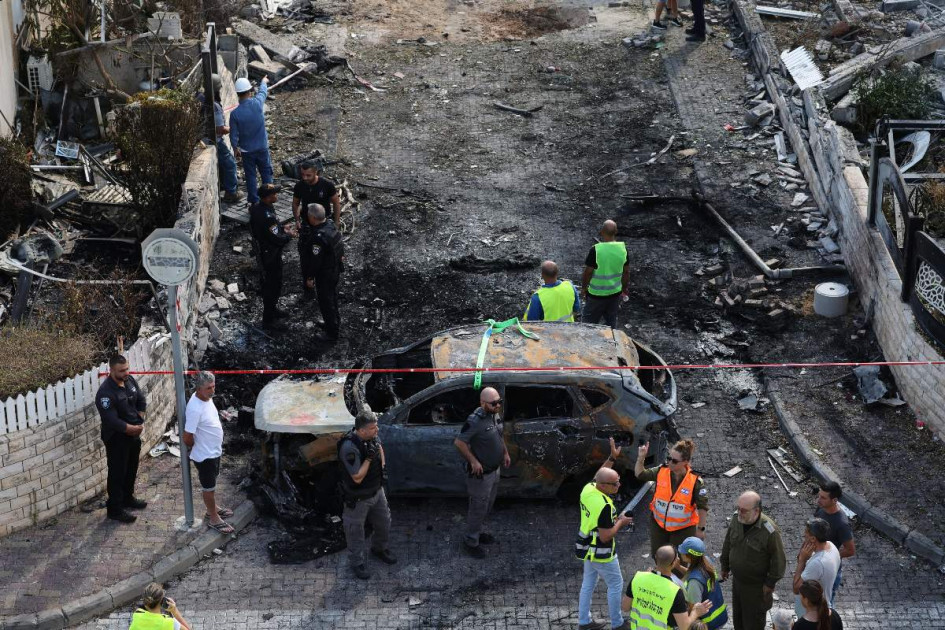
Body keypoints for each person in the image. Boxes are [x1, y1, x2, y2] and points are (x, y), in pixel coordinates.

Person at [576, 438, 633, 630]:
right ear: (604, 486)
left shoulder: (588, 489)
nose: (618, 486)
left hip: (586, 547)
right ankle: (617, 623)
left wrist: (611, 458)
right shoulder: (605, 506)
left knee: (588, 583)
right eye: (615, 484)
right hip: (601, 551)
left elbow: (599, 474)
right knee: (616, 584)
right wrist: (621, 522)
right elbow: (606, 536)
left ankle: (584, 621)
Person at [338, 410, 396, 579]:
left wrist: (382, 468)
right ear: (361, 430)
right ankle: (357, 563)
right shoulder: (349, 447)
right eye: (372, 428)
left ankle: (379, 549)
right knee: (355, 532)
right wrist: (369, 459)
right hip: (358, 498)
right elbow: (357, 477)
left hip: (376, 492)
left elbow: (379, 447)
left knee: (384, 522)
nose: (376, 430)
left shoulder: (371, 437)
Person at [453, 387, 510, 559]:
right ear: (482, 403)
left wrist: (505, 452)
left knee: (487, 505)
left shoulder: (494, 414)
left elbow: (499, 435)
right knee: (478, 507)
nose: (498, 406)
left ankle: (478, 531)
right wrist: (473, 460)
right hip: (481, 476)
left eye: (499, 402)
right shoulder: (474, 421)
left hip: (494, 470)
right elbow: (459, 442)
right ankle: (471, 541)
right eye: (494, 403)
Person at [720, 491, 787, 630]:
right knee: (738, 619)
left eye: (743, 510)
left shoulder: (769, 531)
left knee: (753, 623)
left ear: (757, 511)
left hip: (756, 588)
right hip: (738, 582)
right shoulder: (736, 519)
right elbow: (728, 543)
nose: (739, 512)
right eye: (738, 508)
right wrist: (725, 565)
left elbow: (778, 560)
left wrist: (770, 584)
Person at [95, 354, 148, 523]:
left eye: (127, 369)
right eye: (122, 371)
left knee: (132, 467)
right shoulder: (105, 393)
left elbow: (141, 399)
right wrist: (130, 428)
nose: (126, 373)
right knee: (117, 472)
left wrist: (139, 419)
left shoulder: (130, 381)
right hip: (117, 438)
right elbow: (111, 420)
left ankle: (128, 498)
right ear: (111, 370)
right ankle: (115, 509)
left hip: (133, 435)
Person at [634, 439, 708, 557]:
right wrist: (641, 458)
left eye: (674, 461)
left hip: (682, 529)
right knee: (659, 557)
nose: (669, 463)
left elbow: (702, 507)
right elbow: (640, 474)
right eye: (668, 458)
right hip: (658, 525)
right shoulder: (661, 471)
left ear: (685, 462)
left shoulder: (695, 482)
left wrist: (700, 529)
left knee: (680, 560)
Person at [183, 371, 233, 534]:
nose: (212, 391)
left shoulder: (207, 399)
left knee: (213, 484)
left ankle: (213, 508)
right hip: (205, 455)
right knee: (208, 488)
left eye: (213, 386)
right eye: (208, 388)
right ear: (198, 389)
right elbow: (187, 437)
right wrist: (196, 447)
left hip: (213, 452)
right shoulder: (195, 408)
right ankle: (213, 517)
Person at [622, 545, 713, 630]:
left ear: (655, 558)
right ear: (673, 563)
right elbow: (684, 626)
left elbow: (625, 607)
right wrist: (695, 612)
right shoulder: (675, 591)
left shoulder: (638, 577)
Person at [249, 183, 297, 330]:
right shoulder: (267, 215)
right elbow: (276, 238)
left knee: (271, 284)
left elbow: (268, 230)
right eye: (274, 194)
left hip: (265, 250)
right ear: (268, 197)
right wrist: (289, 235)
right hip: (270, 255)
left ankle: (272, 310)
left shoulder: (257, 207)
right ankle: (268, 320)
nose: (277, 196)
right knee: (273, 285)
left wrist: (282, 229)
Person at [299, 203, 344, 343]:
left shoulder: (318, 237)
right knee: (332, 298)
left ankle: (331, 334)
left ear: (312, 218)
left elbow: (315, 261)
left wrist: (310, 277)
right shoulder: (331, 226)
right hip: (335, 269)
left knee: (326, 302)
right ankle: (334, 322)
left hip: (325, 274)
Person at [230, 76, 273, 204]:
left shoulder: (234, 114)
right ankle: (269, 197)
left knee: (251, 176)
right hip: (262, 147)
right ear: (249, 91)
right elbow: (263, 92)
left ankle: (254, 201)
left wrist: (235, 148)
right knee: (266, 173)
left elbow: (233, 135)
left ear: (237, 94)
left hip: (247, 151)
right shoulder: (258, 103)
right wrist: (263, 81)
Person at [581, 220, 629, 328]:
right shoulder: (622, 249)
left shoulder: (596, 250)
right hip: (614, 294)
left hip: (596, 295)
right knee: (611, 324)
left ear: (601, 232)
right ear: (616, 231)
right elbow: (626, 271)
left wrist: (584, 288)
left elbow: (588, 272)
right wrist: (624, 289)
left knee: (587, 326)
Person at [792, 518, 840, 618]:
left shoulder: (817, 563)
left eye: (806, 532)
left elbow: (796, 588)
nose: (804, 534)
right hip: (823, 604)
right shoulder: (832, 546)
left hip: (812, 612)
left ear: (813, 539)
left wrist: (802, 560)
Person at [813, 481, 854, 598]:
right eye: (819, 495)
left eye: (823, 498)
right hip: (817, 561)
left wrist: (828, 556)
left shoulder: (841, 523)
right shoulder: (821, 508)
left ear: (834, 500)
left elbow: (850, 550)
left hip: (829, 569)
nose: (818, 500)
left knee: (826, 604)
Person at [679, 536, 729, 630]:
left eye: (682, 551)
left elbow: (695, 610)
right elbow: (692, 573)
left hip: (707, 624)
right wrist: (678, 567)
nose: (680, 553)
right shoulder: (706, 562)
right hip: (720, 617)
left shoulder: (694, 582)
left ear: (689, 556)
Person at [210, 74, 241, 204]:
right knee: (230, 164)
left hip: (206, 140)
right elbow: (219, 129)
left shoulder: (200, 98)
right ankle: (231, 193)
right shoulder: (215, 106)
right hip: (215, 141)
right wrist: (232, 129)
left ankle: (226, 185)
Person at [293, 161, 342, 230]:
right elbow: (295, 203)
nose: (305, 178)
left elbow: (336, 203)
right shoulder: (299, 186)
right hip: (306, 220)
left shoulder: (327, 184)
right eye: (302, 174)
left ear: (315, 172)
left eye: (308, 175)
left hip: (323, 220)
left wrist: (337, 221)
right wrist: (297, 220)